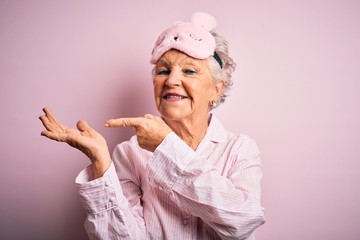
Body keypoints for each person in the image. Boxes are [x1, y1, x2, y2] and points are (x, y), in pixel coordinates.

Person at [39, 12, 265, 240]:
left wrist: (167, 148)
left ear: (217, 88)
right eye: (163, 71)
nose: (171, 80)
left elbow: (243, 221)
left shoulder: (240, 149)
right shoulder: (130, 153)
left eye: (189, 71)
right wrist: (101, 163)